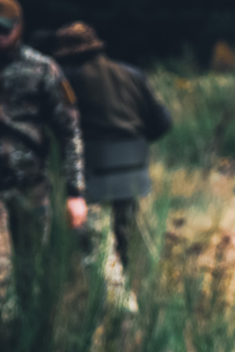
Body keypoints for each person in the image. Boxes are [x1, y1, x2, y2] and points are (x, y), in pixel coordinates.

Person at [0, 0, 85, 307]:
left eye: (6, 29)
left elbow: (69, 132)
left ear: (19, 26)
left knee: (32, 270)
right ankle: (2, 346)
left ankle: (31, 344)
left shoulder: (41, 68)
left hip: (32, 186)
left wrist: (75, 192)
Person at [52, 21, 170, 270]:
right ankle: (122, 291)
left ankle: (113, 301)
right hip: (134, 170)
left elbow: (58, 128)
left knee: (96, 247)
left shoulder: (69, 79)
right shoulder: (132, 74)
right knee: (123, 239)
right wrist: (133, 140)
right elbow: (162, 122)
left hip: (93, 171)